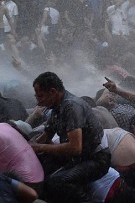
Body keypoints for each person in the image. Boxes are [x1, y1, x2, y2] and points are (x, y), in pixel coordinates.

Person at [29, 72, 111, 202]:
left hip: (96, 159)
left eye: (40, 96)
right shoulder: (55, 107)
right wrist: (27, 148)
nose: (38, 101)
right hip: (79, 157)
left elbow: (75, 148)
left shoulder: (71, 106)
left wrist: (39, 147)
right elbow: (46, 135)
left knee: (57, 182)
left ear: (53, 91)